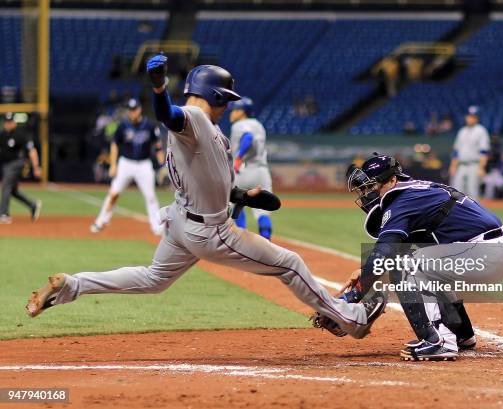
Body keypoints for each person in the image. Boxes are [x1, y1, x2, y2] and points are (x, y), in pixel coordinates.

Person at [26, 55, 386, 341]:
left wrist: (243, 194)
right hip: (210, 231)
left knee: (153, 279)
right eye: (225, 99)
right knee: (290, 264)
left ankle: (73, 285)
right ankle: (353, 319)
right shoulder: (195, 119)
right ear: (214, 95)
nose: (227, 106)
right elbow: (169, 115)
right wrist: (158, 88)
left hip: (183, 222)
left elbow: (211, 177)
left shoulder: (208, 132)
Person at [335, 154, 503, 361]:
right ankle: (461, 334)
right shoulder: (414, 190)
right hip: (489, 249)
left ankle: (438, 341)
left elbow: (385, 251)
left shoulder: (402, 201)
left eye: (372, 186)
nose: (367, 194)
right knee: (419, 266)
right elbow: (395, 251)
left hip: (486, 252)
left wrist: (355, 295)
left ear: (392, 180)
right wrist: (365, 272)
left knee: (408, 266)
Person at [90, 98, 165, 235]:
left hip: (144, 164)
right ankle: (101, 221)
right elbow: (114, 144)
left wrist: (162, 164)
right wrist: (113, 165)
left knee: (150, 196)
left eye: (134, 109)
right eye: (130, 110)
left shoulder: (149, 125)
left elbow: (158, 146)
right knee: (114, 193)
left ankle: (156, 226)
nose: (132, 113)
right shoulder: (123, 125)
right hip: (126, 163)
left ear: (140, 109)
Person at [228, 97, 274, 239]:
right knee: (262, 213)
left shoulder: (239, 125)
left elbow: (248, 138)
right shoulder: (259, 125)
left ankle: (244, 239)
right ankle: (266, 240)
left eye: (235, 110)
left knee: (236, 204)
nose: (232, 113)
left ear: (242, 112)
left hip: (242, 170)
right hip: (261, 171)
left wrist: (240, 156)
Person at [0, 112, 42, 224]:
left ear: (14, 122)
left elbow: (32, 151)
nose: (8, 124)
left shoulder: (21, 134)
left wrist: (36, 167)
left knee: (6, 184)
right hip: (6, 165)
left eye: (10, 122)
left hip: (18, 163)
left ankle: (4, 214)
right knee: (12, 190)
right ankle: (32, 205)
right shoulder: (3, 134)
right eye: (6, 122)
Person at [449, 106, 490, 199]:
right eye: (469, 116)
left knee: (473, 193)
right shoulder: (462, 131)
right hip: (461, 165)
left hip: (474, 165)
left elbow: (484, 152)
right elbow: (456, 151)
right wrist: (453, 166)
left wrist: (481, 168)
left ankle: (473, 213)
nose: (470, 118)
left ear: (477, 118)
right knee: (456, 191)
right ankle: (457, 213)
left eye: (473, 117)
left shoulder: (481, 131)